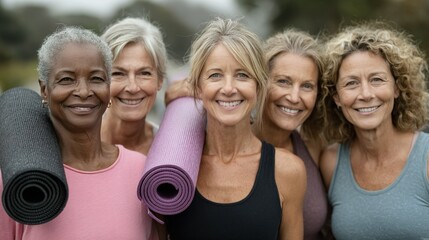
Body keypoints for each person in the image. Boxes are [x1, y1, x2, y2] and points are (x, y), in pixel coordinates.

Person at [164, 28, 329, 240]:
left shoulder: (309, 151)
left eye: (242, 75)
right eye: (283, 81)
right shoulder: (174, 165)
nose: (294, 97)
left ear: (258, 85)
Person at [0, 26, 156, 239]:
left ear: (108, 87)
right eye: (66, 79)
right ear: (45, 90)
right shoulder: (17, 180)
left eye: (96, 78)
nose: (83, 91)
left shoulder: (141, 171)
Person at [320, 21, 429, 240]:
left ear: (397, 88)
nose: (366, 94)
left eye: (377, 80)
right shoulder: (331, 162)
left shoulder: (426, 158)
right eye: (351, 83)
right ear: (337, 98)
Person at [252, 29, 328, 240]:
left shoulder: (315, 145)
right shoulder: (227, 141)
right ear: (260, 81)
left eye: (307, 86)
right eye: (283, 81)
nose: (294, 97)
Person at [100, 17, 167, 155]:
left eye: (144, 73)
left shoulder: (171, 149)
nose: (132, 87)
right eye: (118, 73)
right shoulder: (75, 145)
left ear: (160, 80)